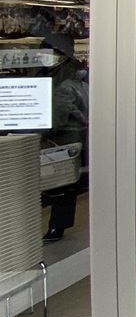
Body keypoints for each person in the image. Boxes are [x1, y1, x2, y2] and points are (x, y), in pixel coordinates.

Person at [42, 33, 89, 243]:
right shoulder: (76, 76)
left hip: (64, 136)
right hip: (74, 135)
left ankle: (56, 226)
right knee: (65, 182)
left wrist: (43, 131)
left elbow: (58, 112)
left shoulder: (65, 79)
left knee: (61, 183)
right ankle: (57, 225)